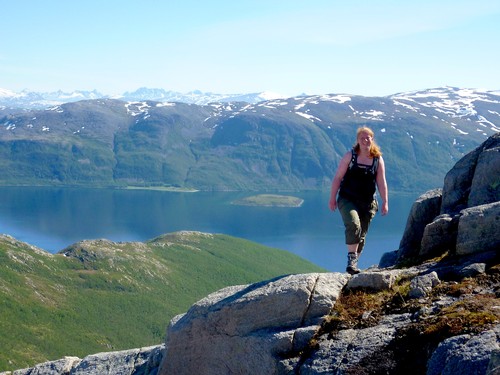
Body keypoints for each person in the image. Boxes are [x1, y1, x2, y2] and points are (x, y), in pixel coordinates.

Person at [329, 126, 388, 275]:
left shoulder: (377, 159)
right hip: (347, 198)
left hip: (368, 202)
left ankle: (353, 266)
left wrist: (385, 201)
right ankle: (351, 259)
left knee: (361, 234)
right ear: (357, 141)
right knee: (354, 224)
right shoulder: (350, 156)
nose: (365, 140)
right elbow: (338, 177)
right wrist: (332, 198)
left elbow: (381, 182)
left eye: (368, 137)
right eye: (362, 138)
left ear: (372, 139)